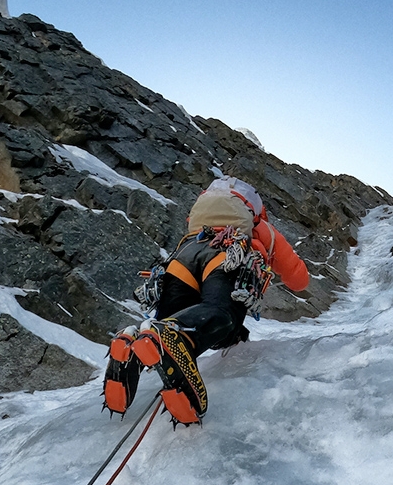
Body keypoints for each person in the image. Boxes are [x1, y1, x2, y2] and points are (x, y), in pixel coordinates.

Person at [103, 176, 309, 425]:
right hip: (227, 254)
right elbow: (299, 280)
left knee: (161, 330)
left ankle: (131, 345)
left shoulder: (199, 222)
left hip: (184, 256)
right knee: (222, 314)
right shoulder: (259, 226)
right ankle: (174, 335)